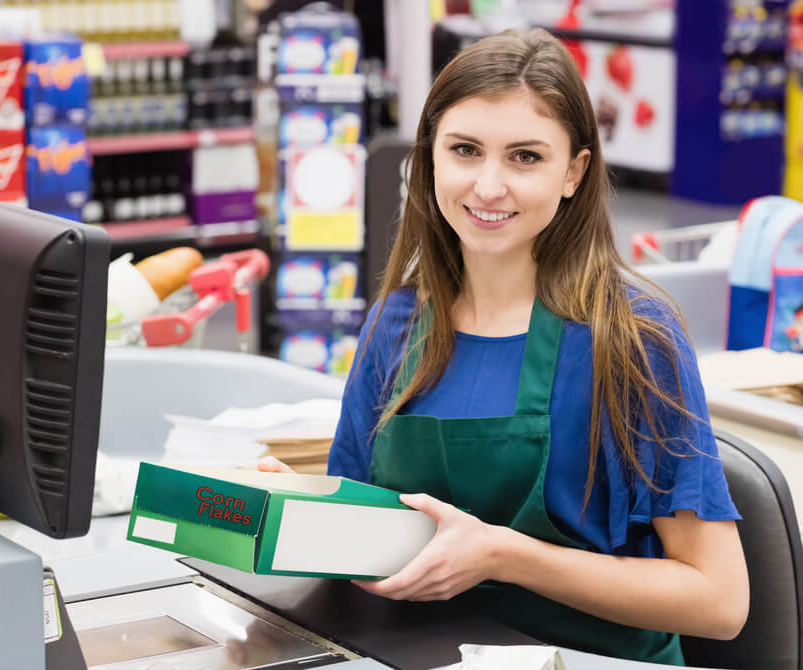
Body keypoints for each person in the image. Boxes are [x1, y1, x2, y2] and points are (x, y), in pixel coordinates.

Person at [261, 28, 749, 664]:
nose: (489, 187)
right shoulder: (396, 324)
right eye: (465, 150)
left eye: (525, 157)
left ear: (574, 172)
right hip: (414, 653)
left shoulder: (632, 336)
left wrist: (505, 556)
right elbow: (361, 529)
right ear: (430, 157)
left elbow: (718, 601)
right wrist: (286, 513)